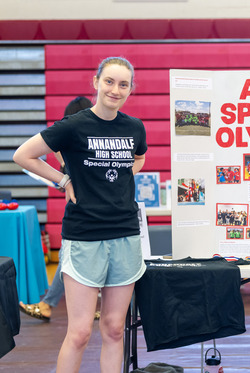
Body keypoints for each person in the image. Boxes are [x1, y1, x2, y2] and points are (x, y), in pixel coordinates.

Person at [13, 56, 147, 372]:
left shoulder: (134, 127)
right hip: (85, 236)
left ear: (130, 89)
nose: (116, 90)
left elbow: (138, 159)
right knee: (80, 332)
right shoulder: (74, 126)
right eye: (110, 81)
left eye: (124, 84)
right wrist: (63, 180)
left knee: (115, 328)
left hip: (126, 235)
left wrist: (120, 173)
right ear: (96, 82)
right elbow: (23, 155)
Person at [18, 96, 94, 322]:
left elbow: (72, 175)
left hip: (84, 214)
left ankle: (49, 304)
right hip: (85, 212)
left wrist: (62, 168)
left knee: (67, 259)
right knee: (66, 259)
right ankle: (49, 303)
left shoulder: (75, 141)